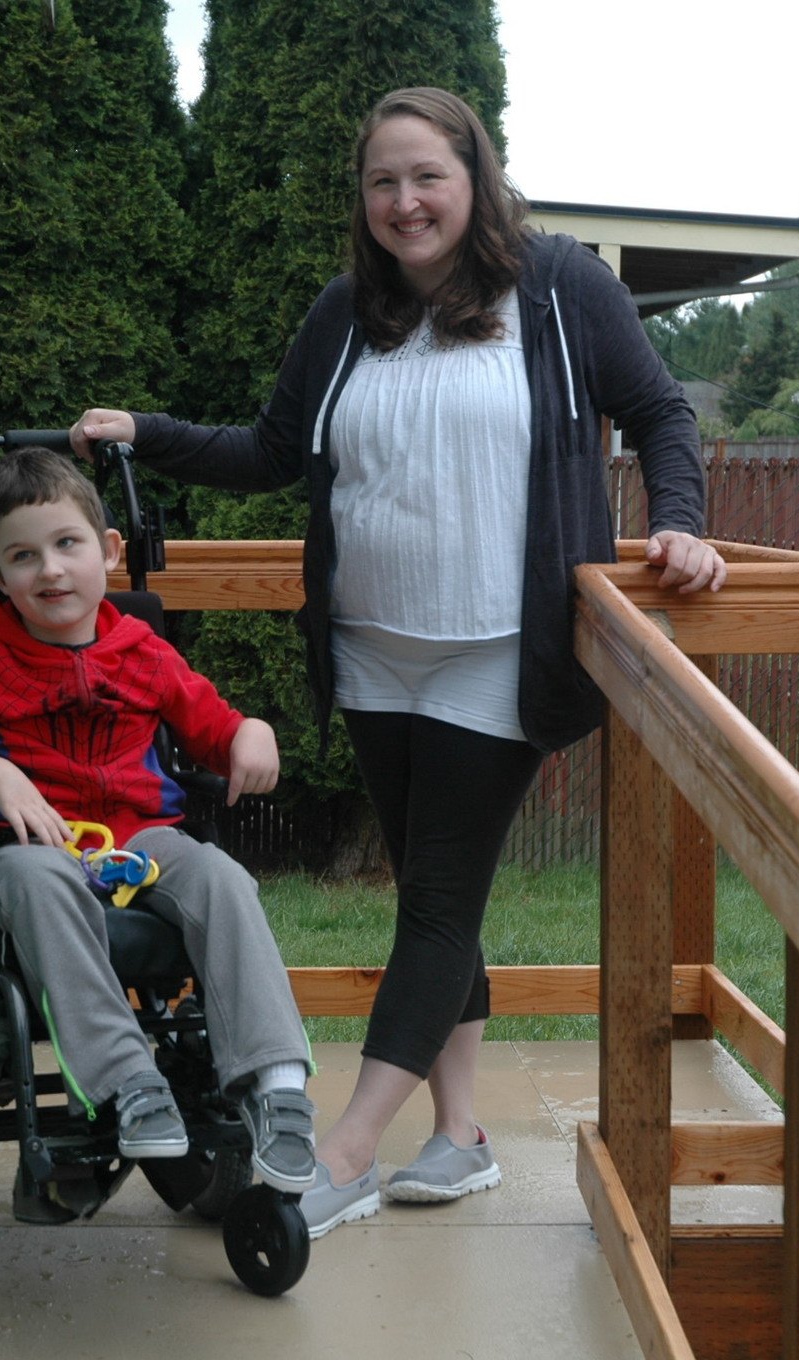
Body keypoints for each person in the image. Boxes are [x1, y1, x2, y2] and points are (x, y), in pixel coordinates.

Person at [72, 87, 725, 1238]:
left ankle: (343, 1148)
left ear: (475, 177)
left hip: (499, 652)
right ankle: (460, 1134)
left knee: (431, 902)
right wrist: (148, 435)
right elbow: (271, 450)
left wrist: (677, 522)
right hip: (371, 649)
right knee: (436, 893)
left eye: (426, 176)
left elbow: (661, 414)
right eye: (382, 181)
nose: (404, 201)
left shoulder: (558, 288)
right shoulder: (348, 312)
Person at [0, 446, 317, 1194]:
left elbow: (216, 726)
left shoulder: (143, 650)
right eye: (24, 556)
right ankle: (127, 1082)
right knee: (37, 878)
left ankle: (278, 1087)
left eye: (67, 544)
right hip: (29, 849)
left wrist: (252, 732)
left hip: (141, 845)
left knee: (222, 877)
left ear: (106, 550)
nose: (50, 571)